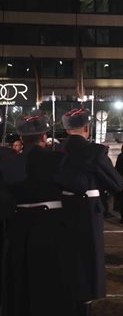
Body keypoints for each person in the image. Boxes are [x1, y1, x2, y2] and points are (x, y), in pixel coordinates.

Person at [0, 115, 79, 316]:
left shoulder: (8, 164)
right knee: (51, 283)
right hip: (51, 228)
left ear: (21, 136)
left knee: (21, 282)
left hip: (18, 229)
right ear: (44, 137)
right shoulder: (57, 159)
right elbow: (75, 187)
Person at [59, 108, 123, 316]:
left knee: (68, 256)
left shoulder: (57, 150)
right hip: (88, 210)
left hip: (64, 209)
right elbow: (116, 182)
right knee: (89, 258)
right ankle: (85, 300)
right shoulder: (95, 151)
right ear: (87, 128)